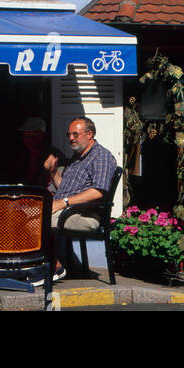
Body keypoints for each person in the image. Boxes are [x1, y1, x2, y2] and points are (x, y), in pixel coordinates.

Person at [52, 117, 118, 275]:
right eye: (69, 134)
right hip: (70, 209)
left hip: (86, 214)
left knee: (37, 220)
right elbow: (64, 188)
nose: (70, 138)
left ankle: (53, 266)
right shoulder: (77, 157)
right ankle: (42, 262)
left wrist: (64, 202)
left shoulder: (101, 157)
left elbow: (98, 191)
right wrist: (53, 172)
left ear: (89, 134)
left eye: (75, 134)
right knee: (27, 213)